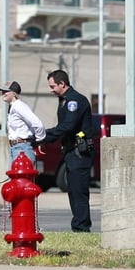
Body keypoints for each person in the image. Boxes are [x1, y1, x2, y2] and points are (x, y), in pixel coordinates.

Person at [41, 70, 94, 232]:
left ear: (62, 84)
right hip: (71, 152)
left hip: (79, 153)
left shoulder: (74, 101)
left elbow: (67, 126)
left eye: (53, 86)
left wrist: (44, 136)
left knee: (79, 192)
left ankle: (82, 228)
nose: (51, 89)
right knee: (73, 191)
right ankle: (78, 225)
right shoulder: (64, 100)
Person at [0, 80, 46, 165]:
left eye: (6, 91)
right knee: (16, 177)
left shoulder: (19, 106)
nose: (3, 93)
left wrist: (39, 140)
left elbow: (38, 124)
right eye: (2, 91)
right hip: (16, 148)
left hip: (22, 148)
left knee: (23, 177)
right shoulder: (13, 107)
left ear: (14, 93)